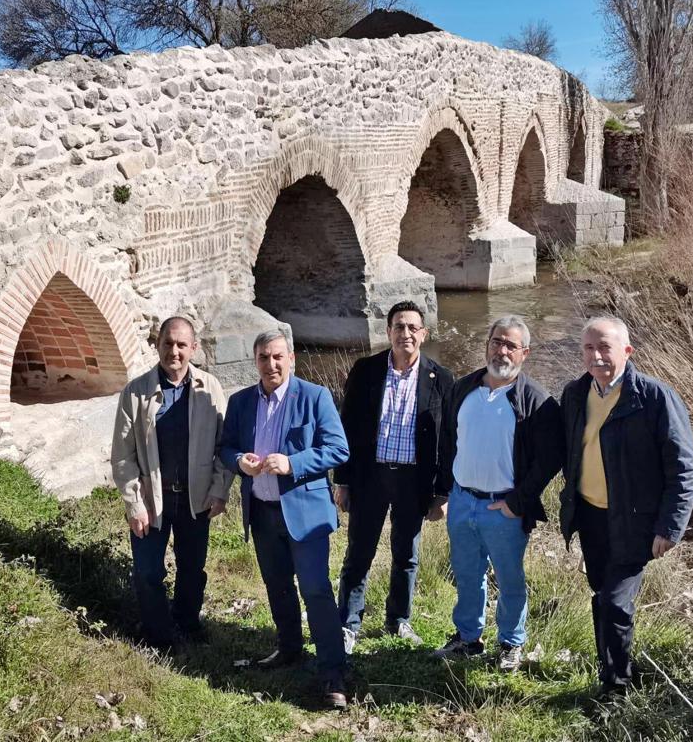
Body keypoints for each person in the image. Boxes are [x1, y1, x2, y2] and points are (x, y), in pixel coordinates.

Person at [557, 316, 693, 695]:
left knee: (617, 602)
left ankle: (616, 688)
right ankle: (608, 667)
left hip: (633, 520)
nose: (597, 356)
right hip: (589, 515)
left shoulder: (653, 397)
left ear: (627, 351)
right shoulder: (575, 394)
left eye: (605, 347)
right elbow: (564, 451)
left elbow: (683, 467)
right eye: (589, 348)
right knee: (601, 592)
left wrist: (670, 526)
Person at [220, 330, 351, 710]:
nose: (271, 364)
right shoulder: (241, 401)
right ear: (255, 361)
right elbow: (226, 447)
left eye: (277, 357)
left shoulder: (314, 396)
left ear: (291, 358)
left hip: (305, 515)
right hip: (261, 512)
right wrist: (238, 461)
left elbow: (338, 449)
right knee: (276, 585)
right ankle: (290, 648)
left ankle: (333, 672)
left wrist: (293, 463)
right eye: (263, 357)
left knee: (315, 590)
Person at [431, 315, 563, 672]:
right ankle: (467, 638)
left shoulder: (536, 401)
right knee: (467, 573)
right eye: (496, 342)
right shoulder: (463, 388)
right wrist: (444, 493)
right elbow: (448, 443)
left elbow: (549, 460)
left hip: (502, 508)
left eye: (510, 345)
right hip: (462, 500)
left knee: (509, 578)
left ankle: (510, 643)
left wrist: (518, 503)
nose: (501, 350)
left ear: (525, 353)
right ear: (487, 343)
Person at [334, 300, 454, 652]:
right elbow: (348, 427)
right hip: (370, 478)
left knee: (407, 554)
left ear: (424, 334)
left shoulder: (441, 378)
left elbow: (449, 438)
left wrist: (443, 492)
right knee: (359, 552)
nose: (405, 333)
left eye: (412, 328)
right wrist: (342, 480)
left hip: (413, 482)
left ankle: (399, 620)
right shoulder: (366, 370)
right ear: (388, 332)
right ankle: (348, 623)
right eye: (399, 327)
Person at [111, 316, 231, 651]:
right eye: (168, 343)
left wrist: (219, 490)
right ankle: (159, 637)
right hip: (153, 500)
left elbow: (224, 445)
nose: (174, 352)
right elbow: (123, 455)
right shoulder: (136, 392)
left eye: (182, 345)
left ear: (194, 348)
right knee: (148, 573)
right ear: (157, 345)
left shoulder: (210, 388)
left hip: (196, 498)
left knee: (192, 570)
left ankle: (188, 624)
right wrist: (134, 503)